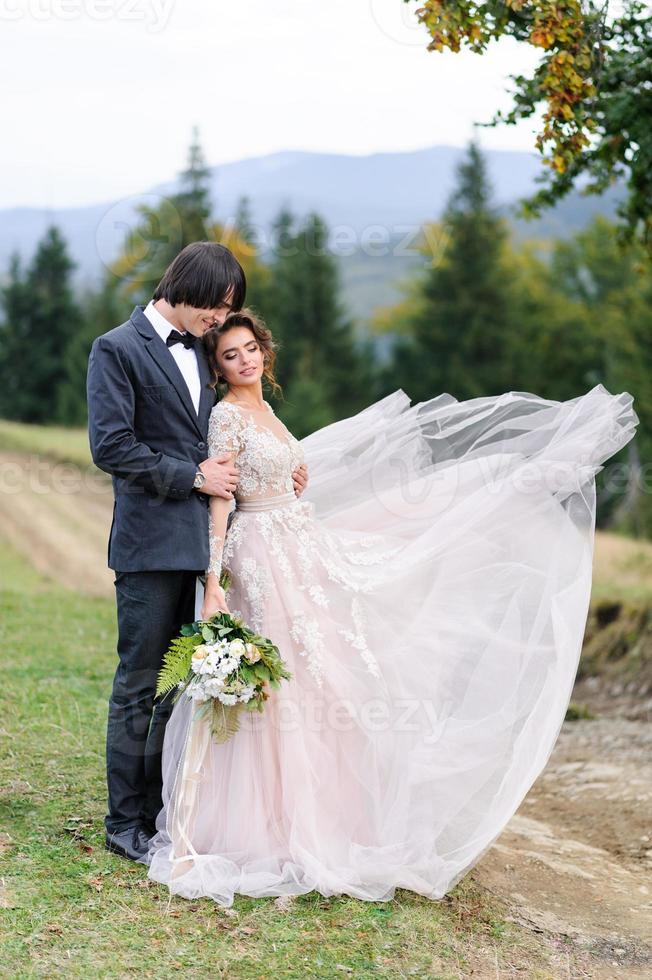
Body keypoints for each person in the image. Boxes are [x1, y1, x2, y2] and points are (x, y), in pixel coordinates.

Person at [145, 307, 638, 905]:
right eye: (231, 354)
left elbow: (274, 471)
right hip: (261, 556)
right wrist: (215, 577)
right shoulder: (225, 417)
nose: (245, 359)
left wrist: (293, 478)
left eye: (251, 349)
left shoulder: (265, 410)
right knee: (283, 681)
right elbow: (223, 496)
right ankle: (264, 829)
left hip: (299, 542)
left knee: (323, 673)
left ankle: (333, 819)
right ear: (218, 368)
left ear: (263, 352)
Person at [86, 242, 310, 862]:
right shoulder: (117, 348)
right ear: (185, 288)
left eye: (228, 309)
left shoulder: (208, 359)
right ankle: (123, 820)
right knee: (142, 683)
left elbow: (236, 433)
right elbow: (111, 446)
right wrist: (192, 476)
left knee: (188, 684)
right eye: (216, 306)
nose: (220, 319)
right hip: (151, 546)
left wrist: (279, 473)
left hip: (219, 548)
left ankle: (169, 807)